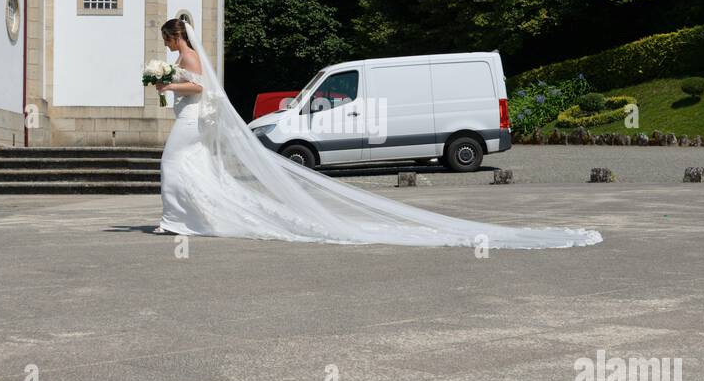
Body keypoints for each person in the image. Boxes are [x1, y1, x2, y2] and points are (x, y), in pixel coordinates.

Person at [150, 18, 601, 249]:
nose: (167, 46)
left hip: (191, 120)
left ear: (176, 37)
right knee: (187, 166)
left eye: (168, 39)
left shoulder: (186, 59)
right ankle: (192, 216)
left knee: (173, 163)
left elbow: (202, 87)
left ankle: (180, 219)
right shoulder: (187, 55)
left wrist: (166, 83)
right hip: (191, 120)